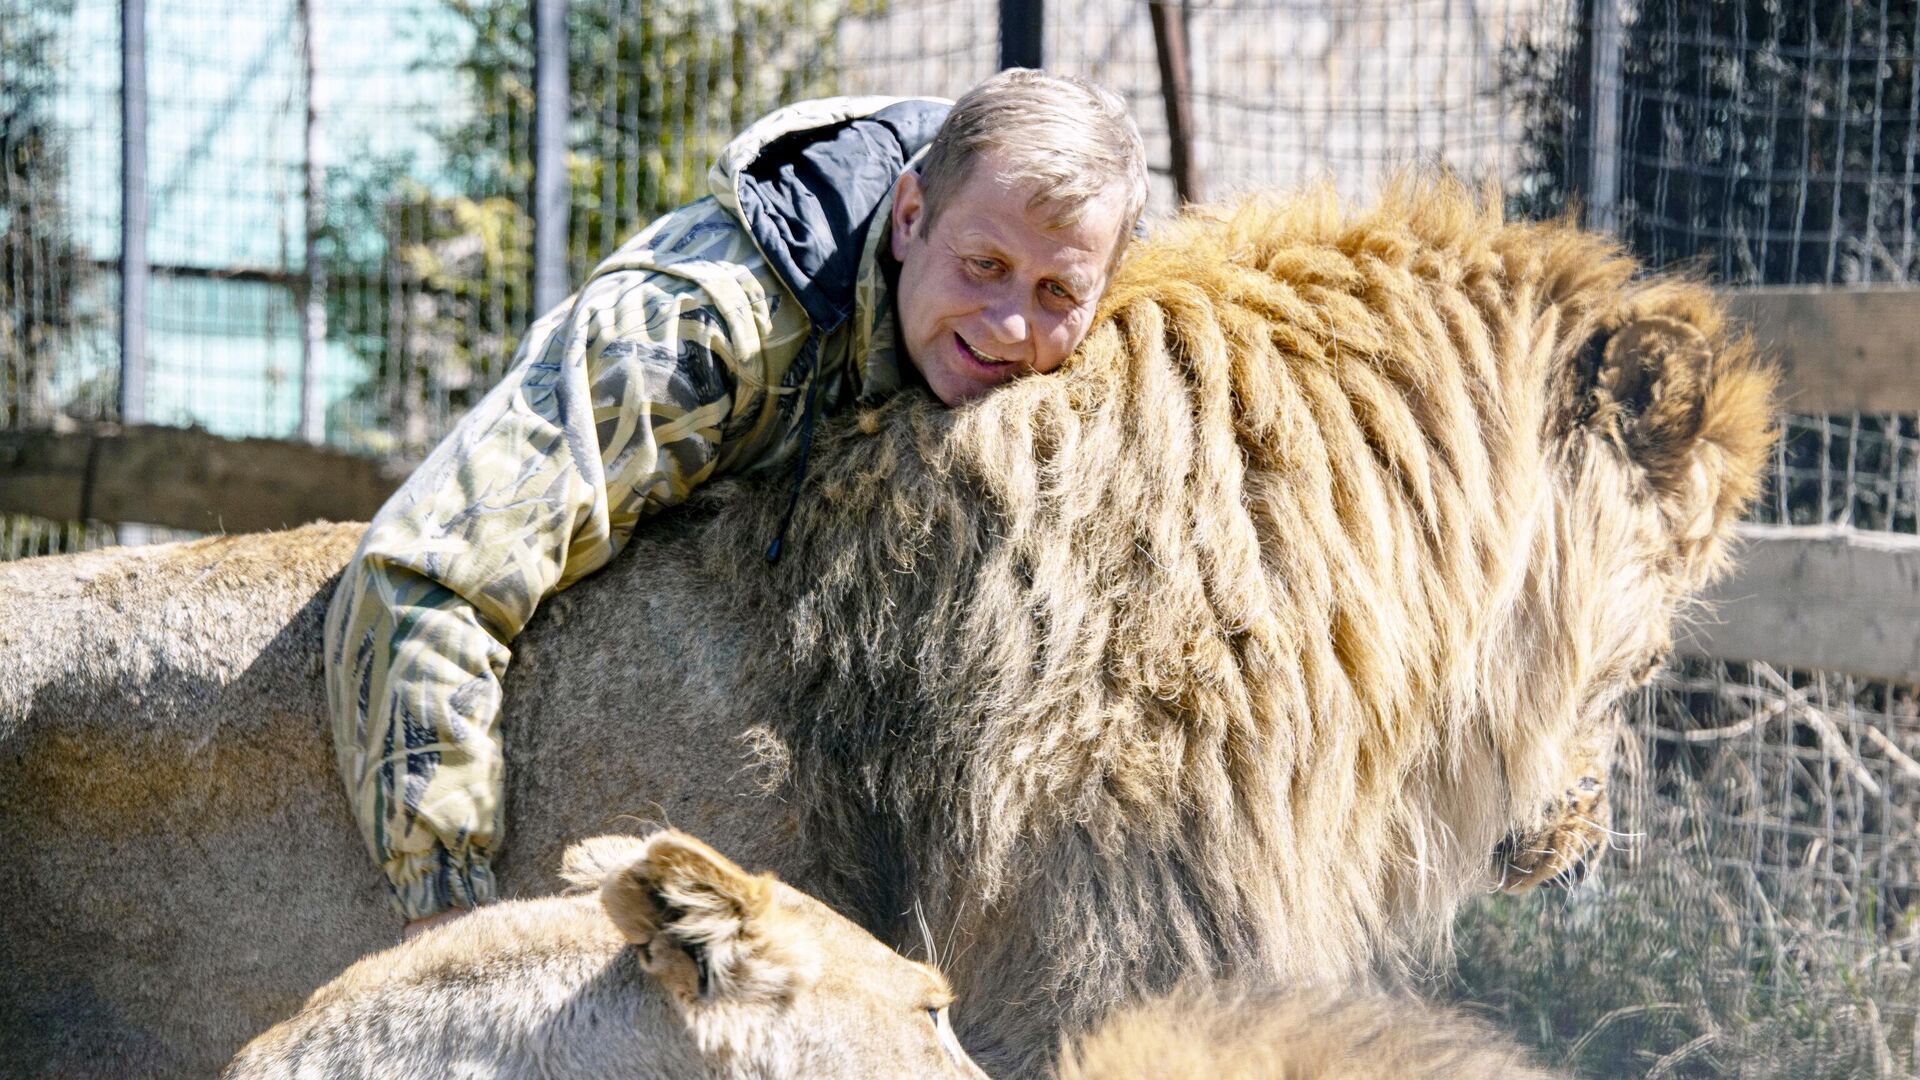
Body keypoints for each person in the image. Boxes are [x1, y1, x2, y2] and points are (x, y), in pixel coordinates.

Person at [323, 69, 1150, 937]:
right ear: (911, 217)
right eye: (984, 267)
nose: (1013, 325)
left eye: (1058, 294)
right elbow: (423, 578)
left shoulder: (1105, 348)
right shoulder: (694, 336)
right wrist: (446, 916)